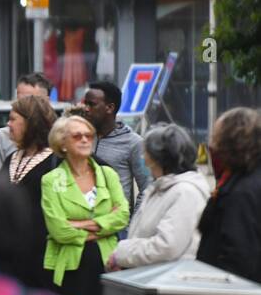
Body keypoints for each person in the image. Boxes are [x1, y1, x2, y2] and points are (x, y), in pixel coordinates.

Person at [40, 114, 129, 295]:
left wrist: (80, 224)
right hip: (71, 270)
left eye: (89, 135)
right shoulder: (51, 180)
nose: (85, 140)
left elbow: (123, 216)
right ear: (62, 144)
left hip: (108, 265)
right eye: (77, 136)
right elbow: (59, 230)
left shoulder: (108, 174)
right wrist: (104, 227)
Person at [107, 125, 210, 270]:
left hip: (169, 282)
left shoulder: (186, 192)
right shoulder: (160, 187)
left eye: (145, 152)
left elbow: (167, 246)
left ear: (158, 158)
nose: (142, 157)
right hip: (147, 277)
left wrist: (122, 253)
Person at [0, 93, 58, 288]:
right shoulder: (11, 159)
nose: (9, 125)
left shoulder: (56, 162)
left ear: (31, 123)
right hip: (9, 258)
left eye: (13, 119)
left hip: (41, 260)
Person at [196, 107, 261, 281]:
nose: (212, 145)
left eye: (216, 138)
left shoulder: (242, 192)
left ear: (231, 143)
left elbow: (239, 257)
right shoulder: (242, 179)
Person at [79, 81, 152, 213]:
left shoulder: (134, 143)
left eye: (92, 104)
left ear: (110, 108)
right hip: (82, 224)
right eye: (85, 103)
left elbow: (147, 187)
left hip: (117, 226)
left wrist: (131, 225)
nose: (86, 108)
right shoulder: (81, 137)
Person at [0, 72, 51, 177]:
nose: (23, 106)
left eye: (32, 101)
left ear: (46, 101)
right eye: (20, 100)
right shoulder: (3, 137)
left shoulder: (60, 137)